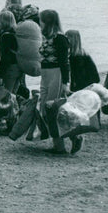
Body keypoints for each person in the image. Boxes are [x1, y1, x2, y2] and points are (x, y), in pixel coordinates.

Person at [38, 9, 72, 154]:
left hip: (56, 73)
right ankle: (58, 143)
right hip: (45, 74)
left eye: (41, 21)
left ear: (47, 22)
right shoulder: (45, 37)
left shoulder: (60, 39)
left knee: (53, 109)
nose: (39, 23)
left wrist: (65, 82)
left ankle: (65, 142)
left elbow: (65, 62)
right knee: (44, 109)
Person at [0, 10, 21, 94]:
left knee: (7, 95)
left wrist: (0, 76)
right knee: (13, 94)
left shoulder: (5, 37)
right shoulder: (15, 34)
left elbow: (5, 58)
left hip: (10, 69)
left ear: (3, 22)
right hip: (19, 67)